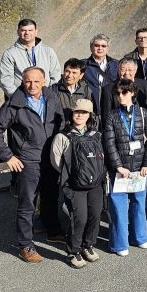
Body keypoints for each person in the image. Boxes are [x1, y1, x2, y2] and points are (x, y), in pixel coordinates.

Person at [0, 67, 65, 262]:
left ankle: (53, 230)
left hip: (51, 159)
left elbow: (61, 122)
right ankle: (26, 245)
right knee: (27, 204)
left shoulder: (52, 98)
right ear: (23, 81)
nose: (32, 85)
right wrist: (8, 156)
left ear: (44, 81)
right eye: (28, 81)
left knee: (50, 196)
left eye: (37, 81)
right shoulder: (14, 104)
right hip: (28, 161)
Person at [103, 79, 147, 257]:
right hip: (119, 171)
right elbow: (109, 143)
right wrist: (118, 165)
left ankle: (139, 237)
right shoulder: (111, 115)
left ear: (133, 93)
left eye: (124, 93)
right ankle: (119, 244)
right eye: (118, 93)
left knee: (139, 203)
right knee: (118, 207)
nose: (120, 96)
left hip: (140, 168)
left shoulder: (144, 113)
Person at [50, 99, 106, 268]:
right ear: (72, 114)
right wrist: (73, 174)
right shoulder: (63, 137)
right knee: (79, 218)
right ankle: (73, 250)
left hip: (95, 184)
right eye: (77, 112)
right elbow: (56, 161)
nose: (80, 115)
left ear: (90, 116)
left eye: (84, 112)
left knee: (95, 214)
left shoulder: (97, 135)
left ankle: (88, 245)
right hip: (74, 185)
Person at [45, 57, 94, 241]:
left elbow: (91, 113)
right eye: (67, 71)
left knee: (76, 182)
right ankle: (52, 228)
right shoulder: (54, 90)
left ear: (81, 75)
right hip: (59, 139)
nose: (69, 75)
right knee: (54, 183)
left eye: (74, 72)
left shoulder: (86, 90)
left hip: (79, 141)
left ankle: (76, 227)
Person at [0, 18, 61, 97]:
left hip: (45, 98)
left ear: (36, 32)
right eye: (23, 30)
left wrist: (49, 94)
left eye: (30, 30)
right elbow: (6, 80)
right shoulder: (10, 54)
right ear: (18, 32)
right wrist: (18, 98)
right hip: (22, 100)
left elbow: (56, 74)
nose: (27, 33)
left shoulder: (48, 51)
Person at [99, 58, 147, 127]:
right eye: (123, 70)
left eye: (130, 70)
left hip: (141, 127)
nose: (126, 73)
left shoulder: (146, 85)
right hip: (118, 129)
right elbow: (106, 116)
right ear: (118, 70)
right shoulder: (108, 89)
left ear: (135, 71)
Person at [81, 34, 118, 111]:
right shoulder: (82, 65)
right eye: (97, 45)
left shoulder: (116, 65)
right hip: (89, 108)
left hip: (111, 108)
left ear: (108, 48)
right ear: (91, 47)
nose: (100, 48)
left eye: (103, 46)